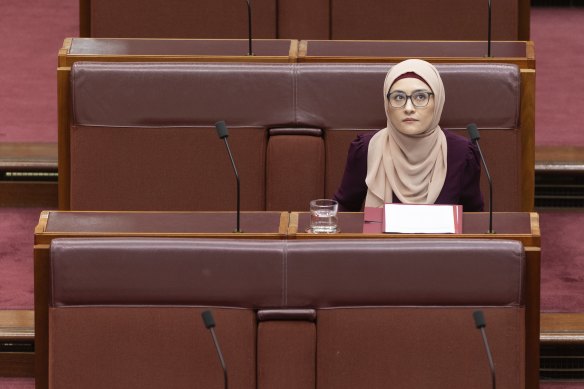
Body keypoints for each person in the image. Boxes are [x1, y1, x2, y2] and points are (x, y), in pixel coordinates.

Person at [333, 59, 484, 212]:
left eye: (420, 97)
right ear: (387, 104)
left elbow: (474, 218)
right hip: (382, 237)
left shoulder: (462, 153)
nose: (409, 108)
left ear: (437, 101)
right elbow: (343, 210)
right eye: (398, 97)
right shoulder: (367, 148)